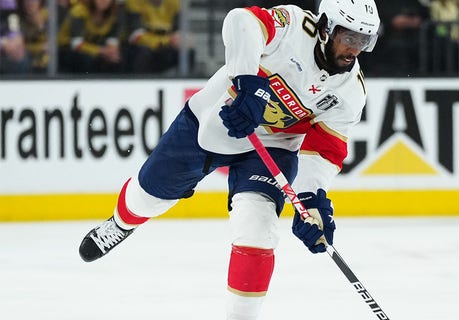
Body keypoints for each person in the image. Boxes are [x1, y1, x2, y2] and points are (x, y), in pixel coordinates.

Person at [78, 1, 380, 320]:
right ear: (324, 27)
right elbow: (241, 20)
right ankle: (120, 224)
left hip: (273, 149)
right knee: (147, 196)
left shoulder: (350, 93)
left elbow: (324, 151)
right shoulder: (292, 25)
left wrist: (311, 198)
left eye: (364, 40)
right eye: (348, 37)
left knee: (258, 230)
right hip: (211, 123)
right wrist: (247, 81)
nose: (354, 49)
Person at [122, 0, 192, 73]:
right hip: (141, 46)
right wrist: (164, 41)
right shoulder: (134, 2)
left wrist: (179, 38)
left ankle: (186, 81)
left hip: (165, 45)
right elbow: (135, 35)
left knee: (188, 52)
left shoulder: (175, 2)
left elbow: (179, 29)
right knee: (143, 51)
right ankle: (138, 82)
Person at [57, 0, 123, 73]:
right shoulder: (79, 11)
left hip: (95, 47)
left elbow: (112, 39)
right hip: (67, 49)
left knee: (117, 59)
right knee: (86, 59)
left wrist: (112, 52)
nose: (103, 1)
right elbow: (76, 44)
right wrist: (102, 51)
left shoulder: (114, 13)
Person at [0, 0, 30, 74]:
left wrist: (16, 39)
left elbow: (14, 27)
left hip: (8, 46)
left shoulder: (7, 2)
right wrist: (3, 43)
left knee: (22, 58)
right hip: (4, 44)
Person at [18, 0, 48, 73]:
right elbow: (21, 47)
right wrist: (39, 48)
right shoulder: (20, 21)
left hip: (49, 61)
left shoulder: (50, 17)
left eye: (33, 0)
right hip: (29, 62)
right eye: (26, 1)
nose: (29, 3)